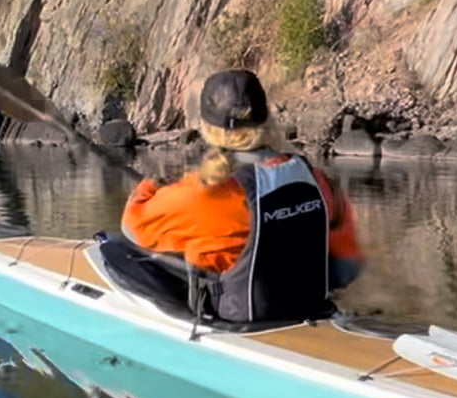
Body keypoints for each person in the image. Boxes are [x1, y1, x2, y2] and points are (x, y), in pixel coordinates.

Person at [116, 68, 363, 325]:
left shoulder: (204, 193)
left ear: (207, 128)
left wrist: (150, 185)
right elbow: (348, 266)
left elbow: (133, 228)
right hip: (313, 310)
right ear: (265, 117)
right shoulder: (314, 177)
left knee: (116, 249)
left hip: (243, 321)